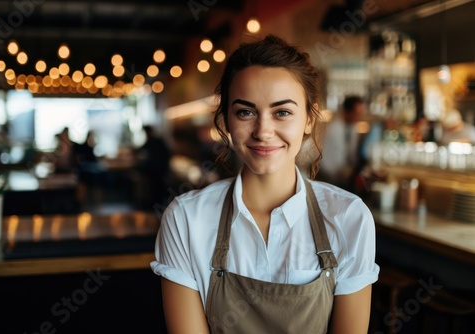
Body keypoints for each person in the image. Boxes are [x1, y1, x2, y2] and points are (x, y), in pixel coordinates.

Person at [151, 35, 379, 333]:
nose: (263, 131)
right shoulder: (185, 219)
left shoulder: (349, 217)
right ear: (226, 121)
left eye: (282, 112)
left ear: (309, 119)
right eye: (245, 112)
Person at [318, 95, 367, 192]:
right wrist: (337, 173)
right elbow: (321, 156)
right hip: (330, 178)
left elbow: (351, 153)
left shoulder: (352, 127)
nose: (360, 116)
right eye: (357, 113)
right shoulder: (333, 128)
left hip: (344, 177)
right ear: (347, 111)